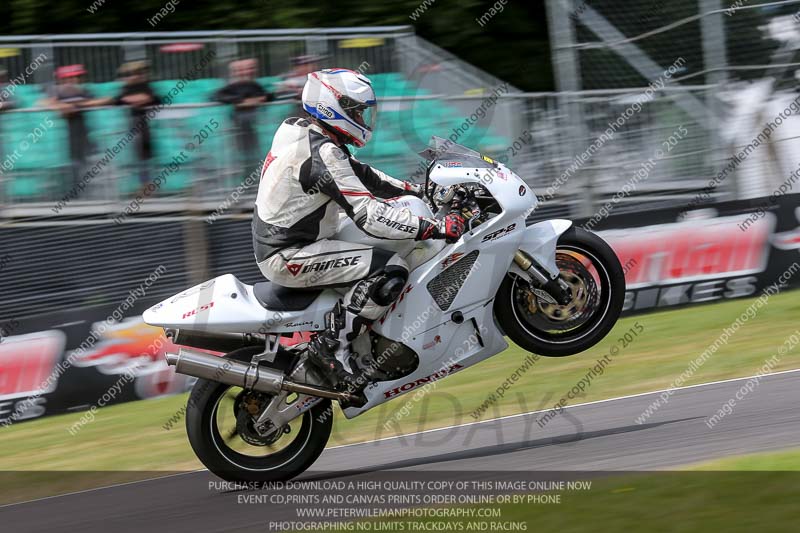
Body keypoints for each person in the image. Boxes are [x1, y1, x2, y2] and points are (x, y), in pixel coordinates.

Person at [252, 69, 466, 401]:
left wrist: (418, 192)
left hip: (298, 241)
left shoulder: (306, 133)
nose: (361, 118)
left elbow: (362, 175)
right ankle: (332, 349)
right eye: (355, 111)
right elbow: (370, 215)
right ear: (331, 107)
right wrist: (434, 227)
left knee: (391, 240)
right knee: (389, 269)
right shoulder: (320, 151)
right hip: (290, 254)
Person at [41, 65, 110, 195]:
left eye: (77, 77)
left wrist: (78, 105)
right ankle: (73, 193)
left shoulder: (82, 92)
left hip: (82, 134)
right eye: (70, 78)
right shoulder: (58, 92)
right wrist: (59, 106)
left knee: (83, 164)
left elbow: (105, 100)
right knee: (74, 166)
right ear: (62, 80)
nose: (75, 80)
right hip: (63, 137)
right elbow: (42, 102)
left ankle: (83, 193)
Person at [214, 58, 272, 172]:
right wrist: (240, 101)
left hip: (253, 125)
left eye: (248, 69)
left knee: (254, 151)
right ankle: (246, 171)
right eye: (241, 70)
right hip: (238, 124)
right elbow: (219, 96)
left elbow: (267, 95)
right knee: (242, 151)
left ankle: (254, 171)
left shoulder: (254, 85)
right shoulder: (231, 86)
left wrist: (261, 99)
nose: (245, 73)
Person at [114, 60, 161, 185]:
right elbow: (119, 99)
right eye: (132, 74)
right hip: (134, 125)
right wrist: (133, 99)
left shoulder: (146, 86)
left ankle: (150, 183)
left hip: (147, 125)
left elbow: (152, 98)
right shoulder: (127, 88)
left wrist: (137, 100)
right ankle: (145, 183)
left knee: (147, 153)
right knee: (140, 155)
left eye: (139, 73)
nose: (136, 76)